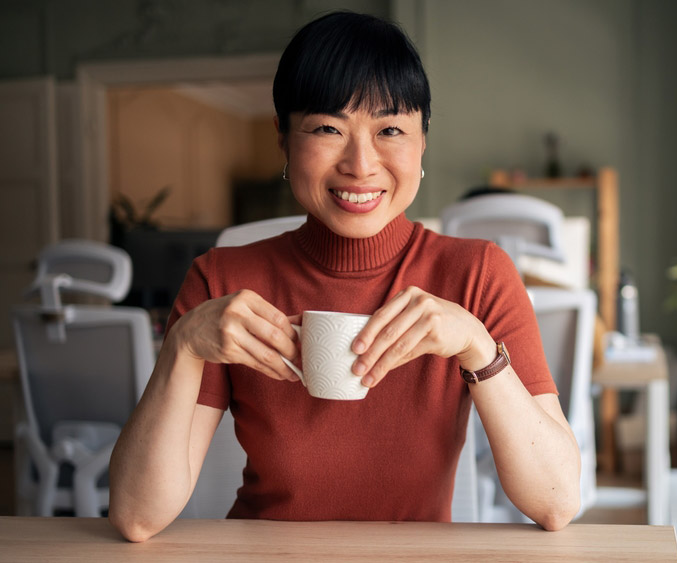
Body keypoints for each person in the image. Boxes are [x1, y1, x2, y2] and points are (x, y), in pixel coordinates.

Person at [108, 11, 581, 542]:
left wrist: (475, 345)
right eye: (328, 128)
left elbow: (556, 502)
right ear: (284, 139)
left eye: (391, 130)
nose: (361, 164)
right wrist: (183, 346)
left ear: (423, 141)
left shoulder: (478, 274)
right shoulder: (222, 278)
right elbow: (137, 516)